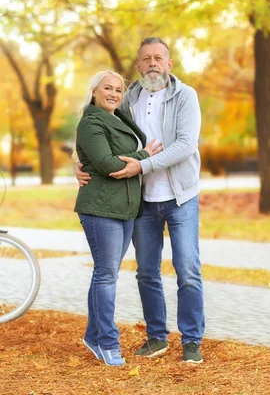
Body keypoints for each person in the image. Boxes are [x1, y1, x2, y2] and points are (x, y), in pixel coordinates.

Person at [76, 37, 205, 364]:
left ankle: (191, 340)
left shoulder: (185, 96)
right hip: (142, 201)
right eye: (145, 58)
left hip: (180, 197)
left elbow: (186, 144)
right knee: (146, 272)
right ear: (138, 66)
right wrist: (79, 163)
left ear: (169, 63)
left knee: (187, 268)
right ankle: (157, 337)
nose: (152, 63)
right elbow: (96, 130)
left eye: (158, 57)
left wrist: (142, 163)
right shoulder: (127, 96)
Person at [74, 70, 162, 366]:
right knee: (106, 275)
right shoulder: (91, 122)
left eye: (118, 90)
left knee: (104, 273)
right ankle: (108, 342)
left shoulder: (118, 117)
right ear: (94, 91)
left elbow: (119, 160)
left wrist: (137, 158)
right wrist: (144, 155)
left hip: (124, 208)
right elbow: (109, 164)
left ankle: (93, 335)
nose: (113, 93)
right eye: (107, 88)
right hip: (100, 208)